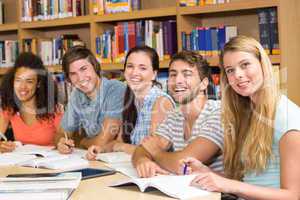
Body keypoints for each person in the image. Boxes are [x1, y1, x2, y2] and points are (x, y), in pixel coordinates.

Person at [185, 35, 300, 200]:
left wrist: (228, 185)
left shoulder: (288, 119)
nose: (238, 75)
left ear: (263, 65)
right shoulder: (247, 112)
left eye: (245, 65)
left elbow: (293, 196)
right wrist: (209, 173)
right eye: (230, 70)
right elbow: (251, 180)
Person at [132, 50, 224, 178]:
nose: (178, 81)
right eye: (173, 75)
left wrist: (156, 153)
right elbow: (143, 148)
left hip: (219, 195)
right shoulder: (175, 115)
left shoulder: (218, 112)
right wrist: (143, 161)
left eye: (187, 74)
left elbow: (183, 162)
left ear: (204, 84)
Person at [86, 46, 175, 158]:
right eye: (130, 66)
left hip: (161, 172)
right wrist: (100, 149)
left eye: (142, 68)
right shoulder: (130, 99)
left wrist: (121, 147)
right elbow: (118, 142)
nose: (134, 72)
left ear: (154, 74)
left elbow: (153, 151)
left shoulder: (161, 101)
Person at [55, 46, 126, 153]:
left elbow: (102, 142)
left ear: (94, 66)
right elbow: (61, 134)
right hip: (95, 158)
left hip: (120, 158)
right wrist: (61, 142)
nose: (80, 78)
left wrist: (82, 141)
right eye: (73, 74)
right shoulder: (77, 94)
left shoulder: (116, 89)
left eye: (83, 69)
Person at [0, 52, 62, 152]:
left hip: (50, 163)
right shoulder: (9, 108)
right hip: (22, 163)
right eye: (18, 80)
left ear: (38, 83)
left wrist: (61, 144)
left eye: (29, 81)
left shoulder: (54, 109)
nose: (22, 87)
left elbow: (62, 136)